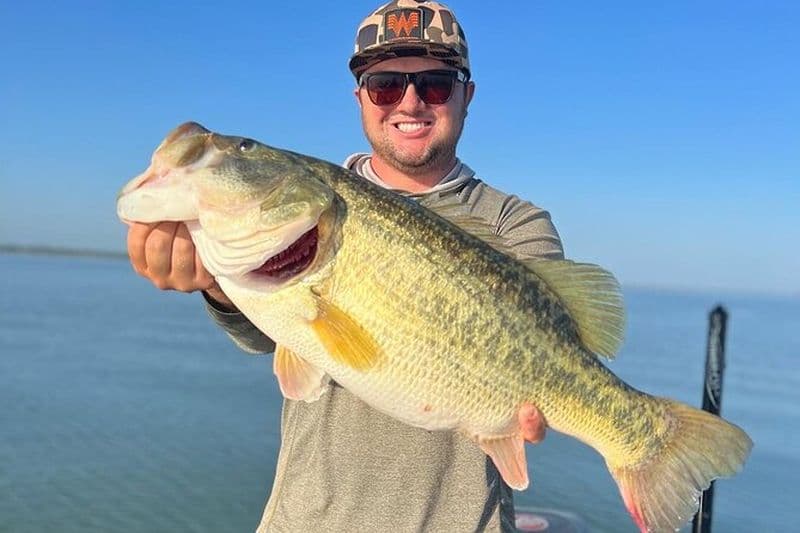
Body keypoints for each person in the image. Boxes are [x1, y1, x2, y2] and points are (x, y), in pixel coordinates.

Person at [126, 1, 564, 531]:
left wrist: (543, 406)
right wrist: (217, 287)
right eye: (384, 85)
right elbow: (269, 334)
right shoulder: (315, 201)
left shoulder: (515, 225)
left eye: (435, 84)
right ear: (360, 96)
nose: (410, 102)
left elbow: (557, 358)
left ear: (466, 96)